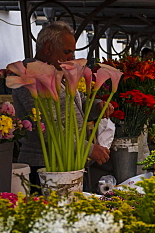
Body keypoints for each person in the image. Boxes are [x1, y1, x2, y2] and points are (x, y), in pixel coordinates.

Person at [13, 21, 113, 190]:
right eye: (67, 52)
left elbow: (78, 102)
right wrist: (88, 149)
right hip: (46, 168)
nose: (71, 58)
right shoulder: (30, 77)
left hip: (68, 164)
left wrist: (96, 106)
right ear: (48, 48)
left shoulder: (55, 73)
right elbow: (47, 128)